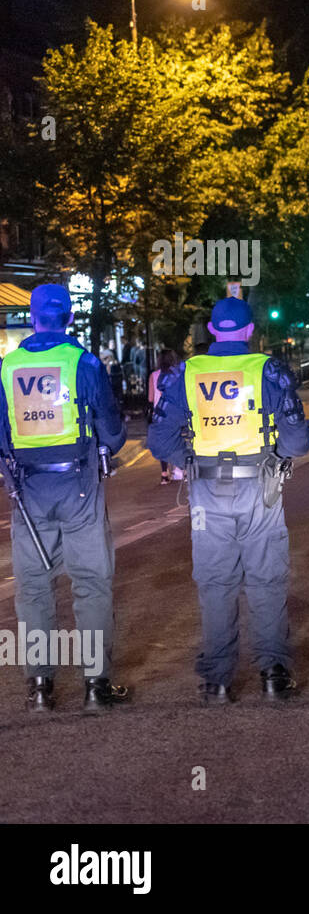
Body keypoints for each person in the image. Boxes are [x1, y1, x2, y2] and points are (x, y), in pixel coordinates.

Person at [148, 297, 309, 704]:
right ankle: (273, 673)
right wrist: (278, 458)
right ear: (250, 331)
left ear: (212, 331)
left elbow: (159, 439)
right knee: (266, 579)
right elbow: (297, 439)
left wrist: (190, 463)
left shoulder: (185, 373)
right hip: (260, 487)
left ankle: (217, 680)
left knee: (215, 582)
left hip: (208, 491)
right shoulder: (267, 370)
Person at [1, 284, 127, 713]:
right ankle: (96, 686)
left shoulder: (7, 367)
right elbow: (112, 430)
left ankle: (40, 688)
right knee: (90, 583)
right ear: (70, 318)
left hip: (29, 492)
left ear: (32, 317)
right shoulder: (84, 362)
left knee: (34, 588)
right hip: (79, 486)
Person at [147, 349, 184, 484]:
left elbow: (151, 398)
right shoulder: (178, 374)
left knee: (163, 442)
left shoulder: (154, 375)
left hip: (159, 414)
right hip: (175, 412)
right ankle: (182, 469)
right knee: (178, 439)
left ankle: (164, 474)